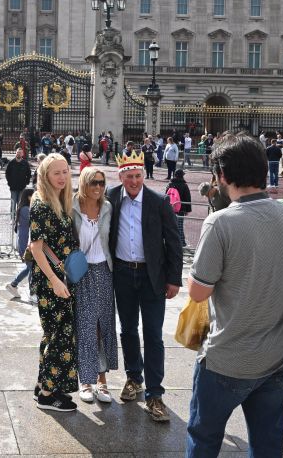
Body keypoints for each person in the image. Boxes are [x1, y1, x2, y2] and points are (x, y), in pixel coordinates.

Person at [186, 132, 283, 457]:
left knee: (203, 440)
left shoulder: (220, 223)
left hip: (228, 358)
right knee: (267, 446)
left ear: (222, 175)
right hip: (280, 355)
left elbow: (198, 292)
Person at [107, 150, 183, 422]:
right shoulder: (111, 198)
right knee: (127, 330)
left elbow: (173, 241)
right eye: (129, 176)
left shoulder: (158, 201)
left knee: (153, 335)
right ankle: (133, 378)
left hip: (152, 277)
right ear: (121, 177)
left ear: (143, 176)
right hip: (123, 274)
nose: (134, 181)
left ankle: (155, 393)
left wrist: (174, 279)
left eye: (138, 176)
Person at [28, 153, 79, 412]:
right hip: (52, 282)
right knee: (60, 335)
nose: (62, 177)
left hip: (61, 278)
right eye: (56, 172)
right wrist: (56, 281)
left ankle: (44, 385)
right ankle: (47, 395)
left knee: (54, 334)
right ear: (45, 175)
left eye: (65, 171)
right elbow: (36, 248)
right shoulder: (42, 204)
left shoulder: (59, 200)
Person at [71, 166, 117, 405]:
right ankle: (86, 381)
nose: (98, 187)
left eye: (101, 182)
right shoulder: (72, 206)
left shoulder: (107, 207)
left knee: (103, 326)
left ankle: (102, 380)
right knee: (86, 327)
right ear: (84, 183)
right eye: (93, 182)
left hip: (104, 272)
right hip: (82, 273)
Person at [5, 187, 36, 301]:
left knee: (29, 267)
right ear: (28, 197)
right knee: (32, 268)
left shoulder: (24, 208)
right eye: (34, 195)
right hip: (25, 243)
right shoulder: (26, 209)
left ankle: (13, 285)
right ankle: (32, 292)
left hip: (25, 242)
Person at [168, 168, 192, 248]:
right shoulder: (184, 185)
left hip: (171, 207)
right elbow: (187, 198)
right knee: (180, 225)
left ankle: (172, 241)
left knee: (171, 225)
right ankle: (182, 242)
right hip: (181, 208)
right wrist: (188, 210)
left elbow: (166, 195)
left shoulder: (170, 184)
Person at [5, 147, 31, 219]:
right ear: (16, 153)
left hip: (22, 187)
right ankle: (12, 218)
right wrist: (9, 182)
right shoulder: (11, 162)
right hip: (13, 187)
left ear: (22, 154)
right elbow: (7, 173)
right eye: (17, 152)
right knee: (13, 203)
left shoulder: (25, 163)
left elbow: (29, 174)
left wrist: (27, 182)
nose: (18, 154)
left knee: (20, 204)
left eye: (20, 153)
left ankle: (19, 219)